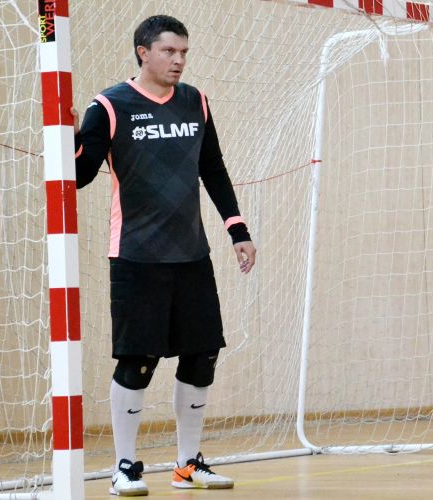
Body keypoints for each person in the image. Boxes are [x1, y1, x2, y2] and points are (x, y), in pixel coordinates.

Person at [73, 15, 256, 495]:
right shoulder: (109, 106)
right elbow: (80, 176)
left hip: (191, 255)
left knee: (202, 355)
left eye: (183, 53)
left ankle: (187, 465)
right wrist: (69, 139)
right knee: (139, 360)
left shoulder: (195, 101)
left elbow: (213, 168)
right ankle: (124, 468)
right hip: (136, 256)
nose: (178, 61)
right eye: (169, 51)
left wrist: (237, 229)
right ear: (143, 52)